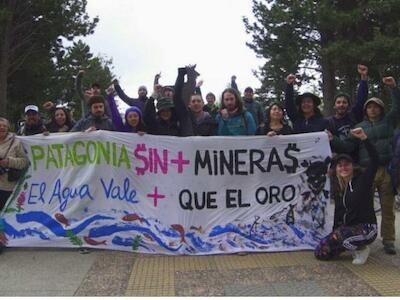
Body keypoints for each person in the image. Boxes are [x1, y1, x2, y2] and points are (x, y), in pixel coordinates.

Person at [330, 76, 399, 255]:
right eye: (369, 106)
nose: (372, 109)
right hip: (367, 172)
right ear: (365, 110)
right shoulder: (359, 126)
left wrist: (393, 88)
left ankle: (389, 240)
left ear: (381, 109)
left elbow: (397, 107)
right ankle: (362, 238)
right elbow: (346, 145)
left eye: (375, 106)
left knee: (387, 207)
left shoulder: (388, 121)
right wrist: (333, 139)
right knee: (362, 208)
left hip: (387, 170)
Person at [315, 128, 378, 264]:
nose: (343, 168)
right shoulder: (338, 187)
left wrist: (364, 139)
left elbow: (375, 160)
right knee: (321, 252)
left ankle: (361, 249)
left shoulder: (363, 180)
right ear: (336, 169)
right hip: (348, 228)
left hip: (367, 228)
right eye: (340, 165)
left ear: (352, 166)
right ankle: (346, 245)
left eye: (347, 165)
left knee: (342, 237)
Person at [144, 67, 193, 136]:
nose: (165, 113)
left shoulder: (179, 122)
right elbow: (147, 114)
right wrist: (154, 94)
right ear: (159, 112)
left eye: (167, 110)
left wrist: (181, 75)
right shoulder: (155, 125)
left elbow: (177, 97)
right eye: (162, 111)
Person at [327, 64, 369, 141]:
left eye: (344, 102)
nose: (341, 105)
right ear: (334, 105)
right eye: (338, 102)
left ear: (348, 105)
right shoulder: (329, 122)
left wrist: (363, 77)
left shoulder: (354, 116)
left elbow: (361, 98)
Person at [0, 117, 28, 211]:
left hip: (7, 187)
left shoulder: (16, 142)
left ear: (8, 128)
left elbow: (24, 162)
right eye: (0, 126)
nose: (2, 128)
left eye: (4, 126)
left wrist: (9, 162)